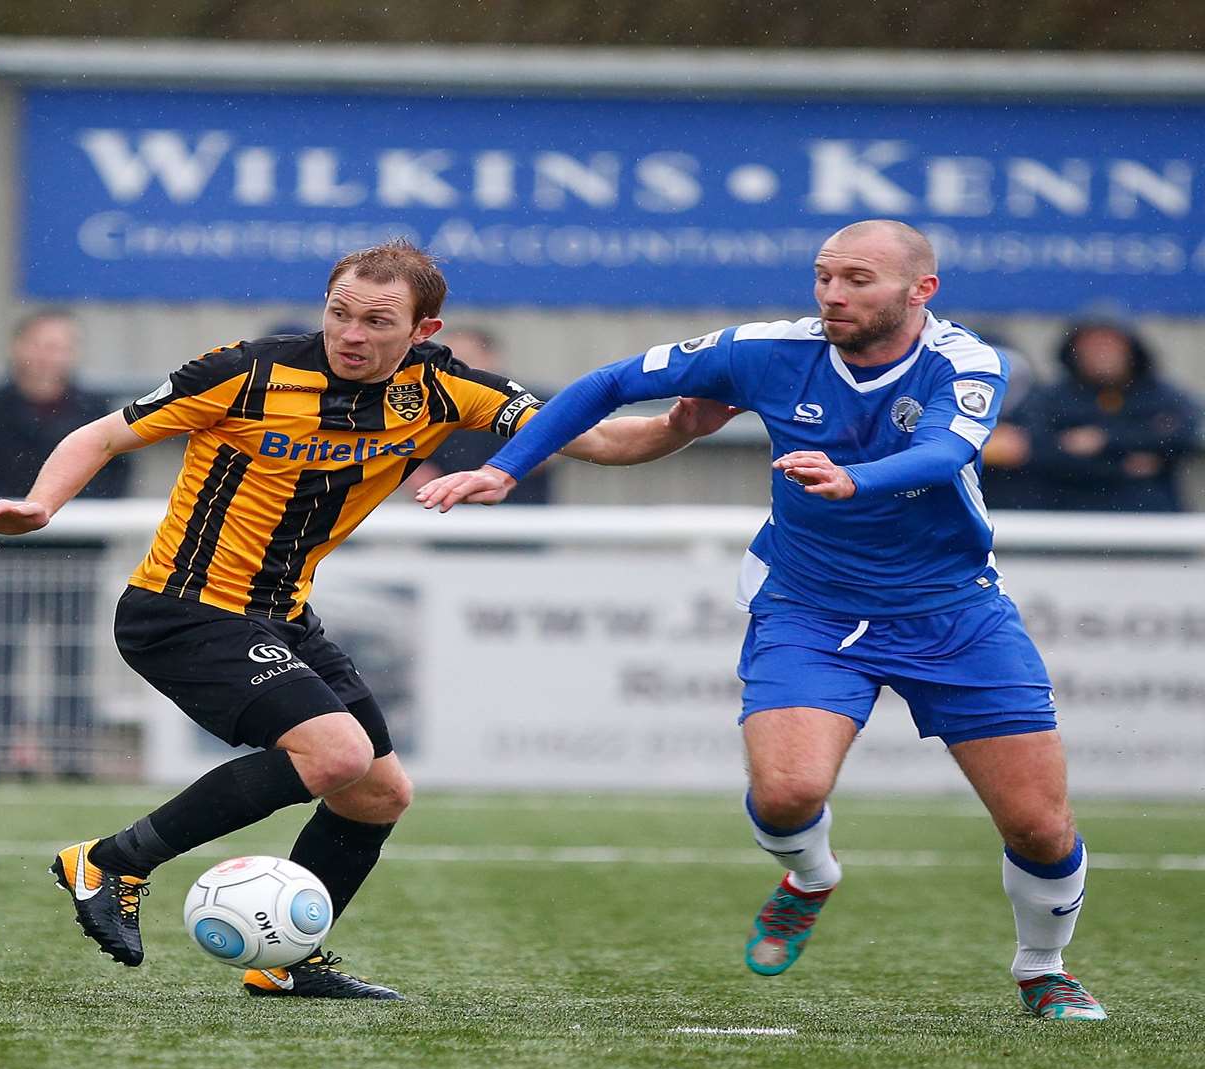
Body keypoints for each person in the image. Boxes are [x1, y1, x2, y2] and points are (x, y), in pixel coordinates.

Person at [0, 240, 732, 998]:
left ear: (423, 332)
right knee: (334, 754)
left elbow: (592, 436)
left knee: (376, 791)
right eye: (341, 314)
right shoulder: (245, 370)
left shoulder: (446, 390)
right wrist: (41, 504)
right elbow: (104, 433)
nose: (352, 335)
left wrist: (679, 428)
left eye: (376, 322)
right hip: (183, 609)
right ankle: (113, 861)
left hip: (282, 617)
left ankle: (282, 960)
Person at [417, 220, 1107, 1022]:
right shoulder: (769, 349)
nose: (833, 295)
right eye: (824, 276)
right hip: (810, 607)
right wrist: (505, 469)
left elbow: (947, 451)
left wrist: (855, 480)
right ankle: (811, 877)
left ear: (922, 292)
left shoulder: (964, 360)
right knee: (786, 794)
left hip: (954, 612)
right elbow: (606, 384)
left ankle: (1043, 967)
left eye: (858, 279)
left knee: (1039, 825)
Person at [0, 310, 131, 780]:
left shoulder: (96, 407)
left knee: (72, 655)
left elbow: (118, 469)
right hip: (6, 551)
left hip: (75, 552)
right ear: (18, 347)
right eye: (40, 344)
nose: (48, 356)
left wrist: (78, 514)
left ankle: (72, 756)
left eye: (60, 346)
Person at [982, 317, 1199, 512]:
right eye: (1092, 346)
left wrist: (1104, 439)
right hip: (1070, 522)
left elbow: (1184, 436)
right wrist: (1122, 465)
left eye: (1111, 345)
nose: (1103, 353)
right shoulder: (1052, 399)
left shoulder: (1162, 396)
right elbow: (1033, 449)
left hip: (1152, 522)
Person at [403, 326, 552, 504]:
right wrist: (414, 472)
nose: (455, 369)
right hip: (449, 513)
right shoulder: (429, 407)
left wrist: (513, 465)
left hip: (521, 511)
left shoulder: (531, 401)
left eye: (465, 360)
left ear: (491, 358)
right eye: (449, 363)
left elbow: (564, 442)